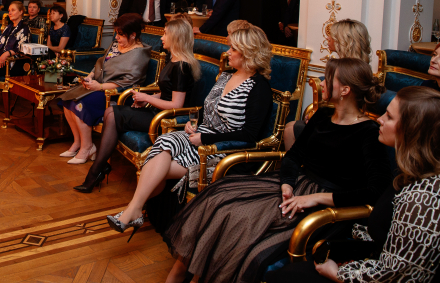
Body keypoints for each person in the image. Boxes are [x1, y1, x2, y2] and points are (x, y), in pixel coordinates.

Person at [162, 58, 391, 283]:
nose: (321, 83)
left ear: (345, 90)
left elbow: (376, 191)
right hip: (295, 184)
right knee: (217, 197)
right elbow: (294, 156)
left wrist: (316, 198)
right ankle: (179, 275)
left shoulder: (369, 132)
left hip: (326, 204)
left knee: (241, 221)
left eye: (328, 79)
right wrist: (287, 183)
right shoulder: (322, 115)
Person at [107, 23, 273, 230]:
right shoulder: (226, 76)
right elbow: (204, 109)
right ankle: (136, 211)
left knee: (156, 166)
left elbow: (249, 135)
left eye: (233, 49)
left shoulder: (259, 87)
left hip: (223, 150)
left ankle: (134, 211)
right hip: (200, 136)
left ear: (248, 53)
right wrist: (192, 124)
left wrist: (205, 138)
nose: (228, 52)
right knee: (165, 140)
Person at [267, 86, 440, 283]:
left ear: (413, 130)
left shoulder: (423, 197)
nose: (380, 119)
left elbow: (396, 275)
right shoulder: (413, 175)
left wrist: (337, 273)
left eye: (390, 117)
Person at [75, 16, 201, 193]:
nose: (161, 38)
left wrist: (147, 99)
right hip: (156, 112)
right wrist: (145, 99)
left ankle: (96, 171)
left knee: (113, 115)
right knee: (111, 112)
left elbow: (176, 104)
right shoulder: (173, 60)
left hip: (166, 120)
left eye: (165, 34)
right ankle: (98, 169)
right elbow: (166, 92)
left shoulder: (181, 66)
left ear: (176, 37)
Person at [57, 14, 151, 164]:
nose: (116, 37)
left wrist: (99, 86)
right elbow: (100, 63)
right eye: (116, 33)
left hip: (118, 95)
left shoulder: (138, 54)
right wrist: (90, 77)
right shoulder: (116, 44)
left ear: (133, 35)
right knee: (68, 99)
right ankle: (77, 142)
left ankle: (88, 147)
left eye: (121, 34)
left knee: (80, 104)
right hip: (99, 86)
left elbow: (127, 82)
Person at [283, 19, 372, 150]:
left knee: (290, 130)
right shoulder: (347, 65)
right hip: (334, 116)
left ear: (343, 40)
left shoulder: (353, 71)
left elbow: (348, 107)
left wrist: (318, 118)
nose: (327, 38)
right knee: (291, 127)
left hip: (343, 126)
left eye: (332, 35)